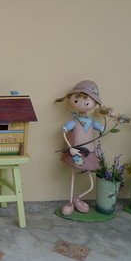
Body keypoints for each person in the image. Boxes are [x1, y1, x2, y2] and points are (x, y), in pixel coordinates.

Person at [54, 80, 104, 216]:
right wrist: (70, 147)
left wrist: (105, 125)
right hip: (75, 152)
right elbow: (64, 131)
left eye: (86, 102)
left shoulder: (92, 122)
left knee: (90, 182)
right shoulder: (74, 121)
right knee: (72, 177)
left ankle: (77, 199)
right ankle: (70, 202)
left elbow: (101, 128)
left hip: (89, 153)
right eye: (76, 101)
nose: (80, 104)